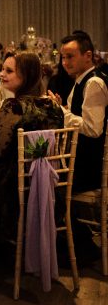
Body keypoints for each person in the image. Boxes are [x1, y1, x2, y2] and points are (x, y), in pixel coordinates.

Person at [0, 51, 63, 240]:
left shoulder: (13, 106)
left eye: (9, 71)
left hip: (14, 193)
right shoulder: (54, 105)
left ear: (26, 75)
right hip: (49, 188)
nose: (1, 74)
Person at [50, 33, 108, 193]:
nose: (65, 62)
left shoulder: (94, 82)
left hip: (87, 169)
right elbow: (79, 115)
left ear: (88, 55)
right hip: (79, 161)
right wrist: (60, 106)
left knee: (37, 175)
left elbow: (93, 129)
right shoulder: (82, 79)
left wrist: (59, 110)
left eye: (70, 57)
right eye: (62, 57)